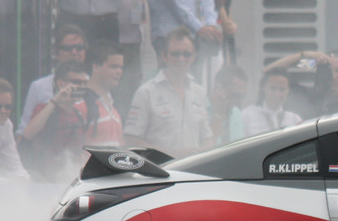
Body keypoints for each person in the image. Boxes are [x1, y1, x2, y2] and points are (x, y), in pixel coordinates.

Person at [124, 27, 213, 157]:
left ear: (194, 57)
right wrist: (170, 154)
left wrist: (199, 154)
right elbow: (130, 139)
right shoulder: (146, 93)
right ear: (164, 56)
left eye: (186, 54)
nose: (181, 58)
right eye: (175, 54)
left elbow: (207, 138)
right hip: (160, 167)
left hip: (193, 167)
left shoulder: (199, 93)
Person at [18, 60, 91, 181]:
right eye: (76, 82)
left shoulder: (79, 114)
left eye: (84, 83)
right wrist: (55, 101)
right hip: (41, 178)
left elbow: (80, 150)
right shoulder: (44, 109)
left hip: (66, 177)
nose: (81, 87)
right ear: (61, 83)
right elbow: (28, 134)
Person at [17, 24, 88, 133]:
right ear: (56, 53)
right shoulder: (39, 87)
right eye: (68, 48)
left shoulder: (94, 85)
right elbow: (24, 129)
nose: (74, 52)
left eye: (79, 47)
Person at [75, 40, 125, 148]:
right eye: (114, 66)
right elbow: (68, 147)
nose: (119, 72)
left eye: (121, 67)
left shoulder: (114, 109)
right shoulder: (79, 103)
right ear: (96, 67)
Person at [242, 67, 301, 136]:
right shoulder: (247, 116)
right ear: (263, 88)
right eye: (273, 88)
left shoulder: (294, 120)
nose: (277, 94)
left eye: (282, 89)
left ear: (288, 91)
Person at [208, 63, 248, 146]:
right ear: (218, 88)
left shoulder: (236, 113)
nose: (238, 102)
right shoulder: (199, 111)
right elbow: (203, 147)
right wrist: (218, 114)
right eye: (235, 95)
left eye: (242, 96)